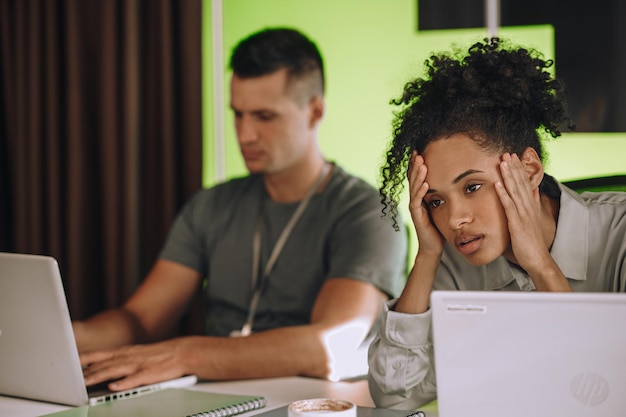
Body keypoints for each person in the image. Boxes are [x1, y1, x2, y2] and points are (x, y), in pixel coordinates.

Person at [73, 27, 407, 391]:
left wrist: (187, 355)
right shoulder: (211, 205)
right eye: (238, 114)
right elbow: (140, 319)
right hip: (213, 397)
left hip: (311, 402)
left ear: (314, 112)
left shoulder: (368, 213)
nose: (245, 135)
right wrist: (71, 338)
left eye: (264, 117)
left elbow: (330, 344)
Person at [367, 37, 626, 409]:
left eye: (472, 186)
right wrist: (426, 258)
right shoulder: (456, 265)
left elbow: (604, 394)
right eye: (436, 201)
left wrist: (540, 265)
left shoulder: (620, 236)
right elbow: (394, 396)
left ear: (529, 169)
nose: (455, 219)